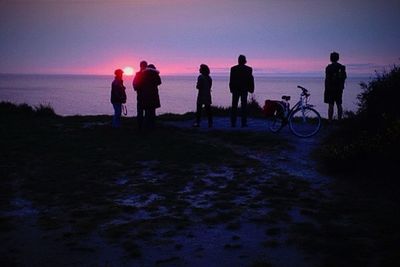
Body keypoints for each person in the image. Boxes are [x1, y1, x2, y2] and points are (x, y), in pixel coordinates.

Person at [229, 54, 255, 127]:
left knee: (234, 106)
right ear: (245, 61)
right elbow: (251, 79)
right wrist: (251, 88)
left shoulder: (233, 69)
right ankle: (243, 123)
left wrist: (231, 88)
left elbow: (231, 80)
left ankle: (233, 123)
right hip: (244, 89)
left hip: (236, 90)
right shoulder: (249, 69)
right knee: (243, 107)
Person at [324, 52, 347, 122]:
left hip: (330, 89)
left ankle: (330, 120)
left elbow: (327, 79)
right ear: (338, 58)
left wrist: (326, 88)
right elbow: (344, 77)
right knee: (339, 104)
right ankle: (339, 120)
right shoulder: (342, 67)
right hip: (339, 89)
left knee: (331, 105)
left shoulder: (329, 68)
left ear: (331, 58)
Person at [140, 64, 162, 129]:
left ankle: (145, 127)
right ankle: (152, 126)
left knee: (147, 113)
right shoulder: (155, 75)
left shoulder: (144, 75)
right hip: (153, 96)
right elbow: (159, 82)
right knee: (152, 113)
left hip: (146, 96)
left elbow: (141, 84)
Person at [133, 60, 148, 129]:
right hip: (143, 96)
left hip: (141, 96)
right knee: (144, 113)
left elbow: (134, 85)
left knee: (141, 113)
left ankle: (141, 127)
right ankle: (142, 127)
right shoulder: (146, 74)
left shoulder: (138, 74)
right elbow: (135, 85)